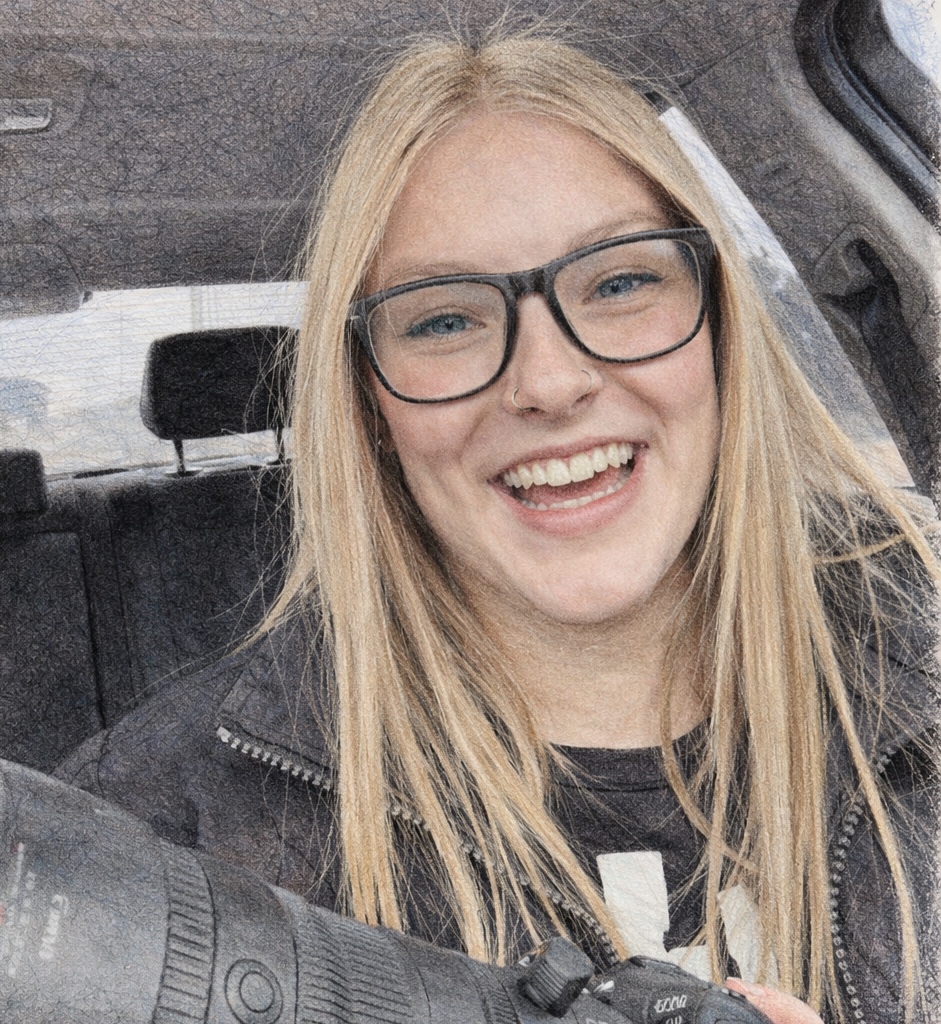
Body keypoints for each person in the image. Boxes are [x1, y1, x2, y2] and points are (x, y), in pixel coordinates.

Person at [56, 32, 940, 1024]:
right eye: (444, 320)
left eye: (619, 282)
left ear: (722, 324)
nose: (550, 382)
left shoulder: (924, 640)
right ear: (370, 404)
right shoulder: (146, 845)